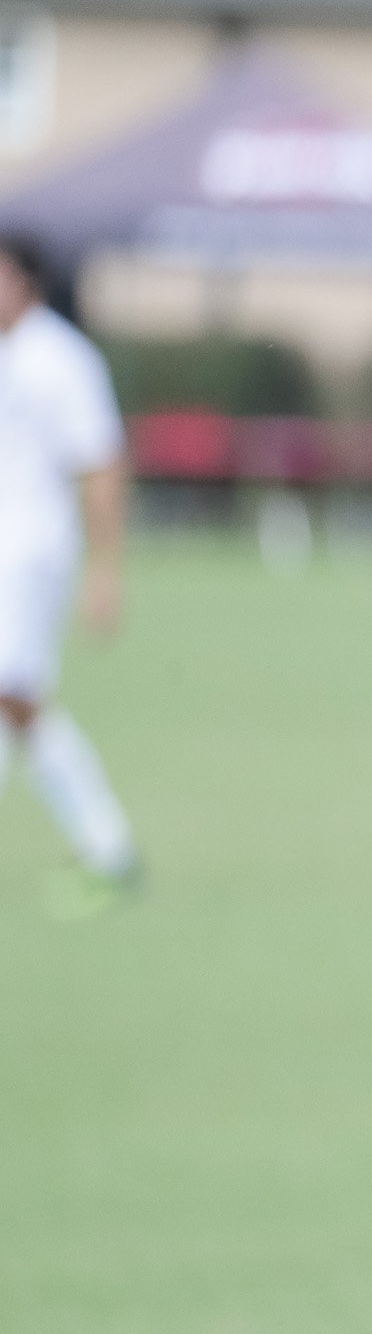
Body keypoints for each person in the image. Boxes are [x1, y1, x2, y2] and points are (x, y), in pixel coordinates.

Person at [0, 232, 141, 913]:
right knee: (14, 704)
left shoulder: (60, 358)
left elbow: (102, 463)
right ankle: (106, 846)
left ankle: (108, 845)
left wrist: (104, 569)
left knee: (15, 695)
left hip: (31, 554)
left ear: (24, 280)